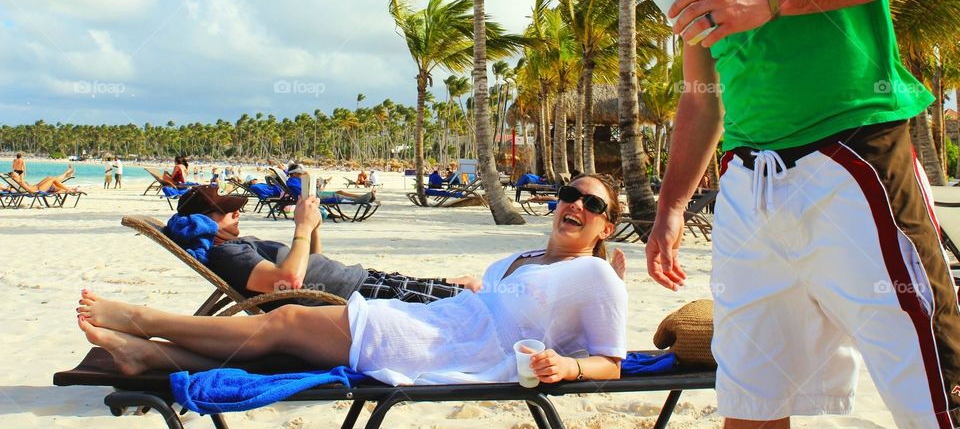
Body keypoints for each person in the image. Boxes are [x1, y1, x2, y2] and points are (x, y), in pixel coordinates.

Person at [557, 0, 957, 426]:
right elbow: (701, 91)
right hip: (748, 188)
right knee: (749, 402)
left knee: (934, 388)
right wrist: (670, 205)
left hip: (852, 157)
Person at [77, 174, 627, 386]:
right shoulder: (526, 253)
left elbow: (612, 361)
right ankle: (149, 357)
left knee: (287, 321)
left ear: (607, 222)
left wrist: (570, 366)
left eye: (591, 203)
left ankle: (138, 321)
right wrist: (476, 286)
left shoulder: (598, 274)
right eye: (568, 194)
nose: (575, 204)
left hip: (454, 343)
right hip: (447, 318)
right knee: (288, 345)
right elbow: (509, 300)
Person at [167, 185, 477, 307]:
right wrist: (301, 226)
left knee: (467, 284)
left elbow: (309, 262)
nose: (237, 212)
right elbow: (287, 282)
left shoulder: (241, 244)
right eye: (226, 210)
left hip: (365, 280)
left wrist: (312, 228)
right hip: (359, 295)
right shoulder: (226, 254)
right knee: (468, 299)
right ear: (204, 221)